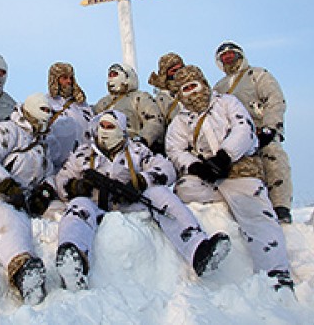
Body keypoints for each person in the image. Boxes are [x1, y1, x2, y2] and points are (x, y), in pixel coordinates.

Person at [53, 110, 232, 291]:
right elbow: (62, 179)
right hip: (94, 205)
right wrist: (76, 186)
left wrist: (141, 180)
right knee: (77, 207)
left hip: (129, 203)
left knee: (161, 194)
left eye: (111, 127)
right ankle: (73, 259)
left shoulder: (137, 150)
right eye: (103, 126)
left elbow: (166, 168)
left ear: (121, 130)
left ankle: (198, 250)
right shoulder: (83, 153)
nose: (105, 131)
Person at [166, 65, 294, 291]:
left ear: (204, 84)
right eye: (185, 89)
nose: (191, 93)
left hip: (238, 168)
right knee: (183, 190)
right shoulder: (181, 120)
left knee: (256, 215)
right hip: (207, 175)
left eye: (194, 86)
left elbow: (243, 129)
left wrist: (225, 156)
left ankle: (276, 272)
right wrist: (195, 166)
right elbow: (175, 149)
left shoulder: (227, 103)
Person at [0, 92, 57, 305]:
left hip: (28, 196)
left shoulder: (41, 143)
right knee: (7, 217)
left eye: (49, 113)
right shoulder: (5, 131)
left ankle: (68, 256)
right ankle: (22, 267)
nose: (46, 118)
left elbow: (50, 173)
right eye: (43, 112)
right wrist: (7, 185)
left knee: (61, 213)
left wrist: (45, 193)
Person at [213, 41, 293, 224]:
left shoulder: (258, 75)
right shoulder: (219, 87)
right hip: (236, 137)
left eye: (230, 55)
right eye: (223, 57)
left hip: (260, 130)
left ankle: (281, 206)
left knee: (273, 157)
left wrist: (270, 128)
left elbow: (275, 100)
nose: (227, 58)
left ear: (239, 55)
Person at [93, 63, 164, 153]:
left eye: (115, 74)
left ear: (127, 77)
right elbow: (92, 121)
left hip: (132, 149)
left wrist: (143, 140)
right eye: (109, 75)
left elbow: (154, 121)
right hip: (104, 152)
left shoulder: (139, 97)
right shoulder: (103, 103)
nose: (111, 78)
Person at [45, 62, 93, 171]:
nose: (69, 81)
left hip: (85, 162)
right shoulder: (47, 104)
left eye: (71, 78)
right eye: (64, 78)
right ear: (55, 79)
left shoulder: (82, 105)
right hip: (59, 165)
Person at [148, 52, 185, 153]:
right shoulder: (161, 100)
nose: (179, 73)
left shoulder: (196, 89)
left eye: (181, 69)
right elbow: (157, 125)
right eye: (174, 71)